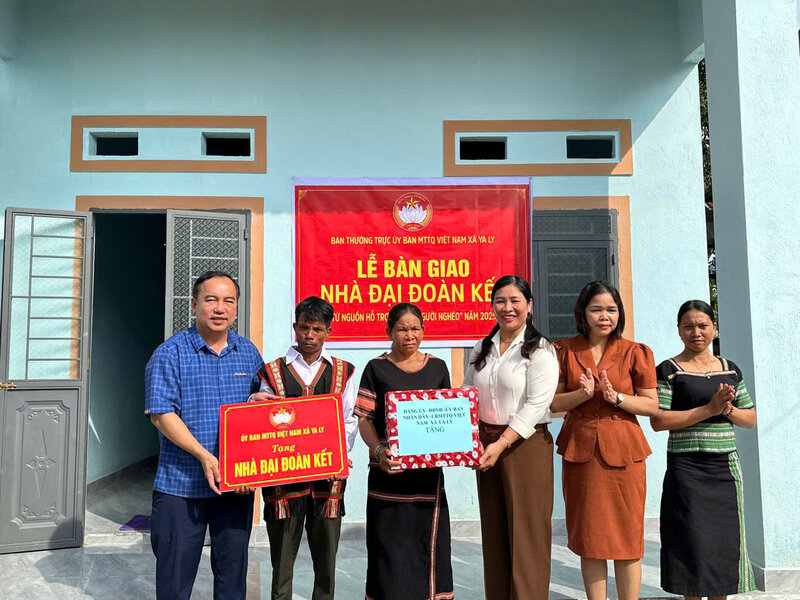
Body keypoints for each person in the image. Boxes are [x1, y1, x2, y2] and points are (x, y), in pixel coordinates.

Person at [144, 270, 265, 600]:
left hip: (234, 486)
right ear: (195, 304)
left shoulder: (248, 353)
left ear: (236, 308)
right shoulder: (170, 353)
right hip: (181, 487)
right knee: (174, 579)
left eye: (228, 301)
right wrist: (204, 456)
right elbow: (161, 414)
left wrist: (257, 402)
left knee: (232, 576)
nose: (219, 308)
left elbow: (261, 412)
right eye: (211, 300)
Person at [550, 280, 658, 600]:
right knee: (590, 539)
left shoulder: (636, 352)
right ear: (582, 313)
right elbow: (554, 404)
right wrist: (580, 395)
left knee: (627, 539)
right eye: (596, 309)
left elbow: (651, 405)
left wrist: (618, 398)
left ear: (619, 314)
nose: (604, 316)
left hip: (625, 451)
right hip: (581, 451)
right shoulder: (564, 350)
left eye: (611, 309)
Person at [250, 296, 357, 600]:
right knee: (281, 564)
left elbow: (349, 420)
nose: (310, 336)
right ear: (294, 328)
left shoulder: (343, 372)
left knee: (326, 564)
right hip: (283, 483)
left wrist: (334, 454)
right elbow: (263, 424)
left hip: (328, 482)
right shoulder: (271, 373)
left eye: (318, 329)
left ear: (329, 331)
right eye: (305, 328)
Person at [463, 275, 559, 600]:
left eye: (515, 301)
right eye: (500, 301)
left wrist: (501, 442)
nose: (508, 308)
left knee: (526, 536)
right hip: (484, 444)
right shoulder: (482, 346)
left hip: (524, 445)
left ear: (529, 306)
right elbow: (467, 391)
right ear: (492, 306)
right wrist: (469, 436)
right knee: (495, 533)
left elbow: (536, 405)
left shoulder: (541, 350)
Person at [652, 300, 756, 600]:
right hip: (686, 470)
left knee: (722, 545)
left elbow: (749, 418)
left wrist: (726, 411)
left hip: (725, 470)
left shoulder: (730, 370)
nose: (695, 332)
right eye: (688, 326)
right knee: (691, 543)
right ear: (679, 331)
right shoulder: (669, 370)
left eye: (702, 325)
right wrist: (708, 408)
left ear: (714, 328)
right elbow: (659, 420)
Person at [355, 303, 454, 600]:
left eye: (415, 329)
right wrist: (379, 449)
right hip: (388, 477)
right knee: (389, 552)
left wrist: (461, 448)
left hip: (428, 482)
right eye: (401, 329)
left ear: (424, 331)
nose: (409, 335)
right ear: (388, 332)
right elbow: (364, 419)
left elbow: (448, 419)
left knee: (427, 549)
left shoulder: (437, 368)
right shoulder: (376, 368)